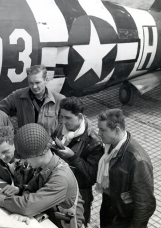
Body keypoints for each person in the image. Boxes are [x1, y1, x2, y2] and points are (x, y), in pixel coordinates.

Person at [0, 123, 85, 228]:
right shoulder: (46, 167)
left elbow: (28, 206)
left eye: (26, 157)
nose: (25, 160)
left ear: (38, 154)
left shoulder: (60, 178)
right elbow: (33, 190)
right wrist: (20, 191)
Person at [96, 109, 156, 228]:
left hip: (123, 219)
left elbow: (145, 203)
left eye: (102, 130)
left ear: (117, 130)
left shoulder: (137, 160)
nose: (98, 133)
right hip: (110, 209)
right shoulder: (109, 148)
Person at [52, 97, 104, 226]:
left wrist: (73, 157)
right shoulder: (61, 128)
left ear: (79, 116)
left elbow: (92, 176)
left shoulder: (94, 142)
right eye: (61, 117)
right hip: (59, 189)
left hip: (79, 196)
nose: (63, 121)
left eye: (68, 118)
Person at [0, 65, 65, 135]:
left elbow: (65, 126)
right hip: (25, 143)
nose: (34, 87)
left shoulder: (59, 100)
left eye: (37, 83)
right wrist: (8, 130)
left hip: (49, 144)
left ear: (46, 80)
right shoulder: (18, 96)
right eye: (31, 83)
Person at [0, 126, 35, 196]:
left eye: (5, 151)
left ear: (15, 144)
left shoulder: (33, 161)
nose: (2, 156)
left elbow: (40, 188)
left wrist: (20, 189)